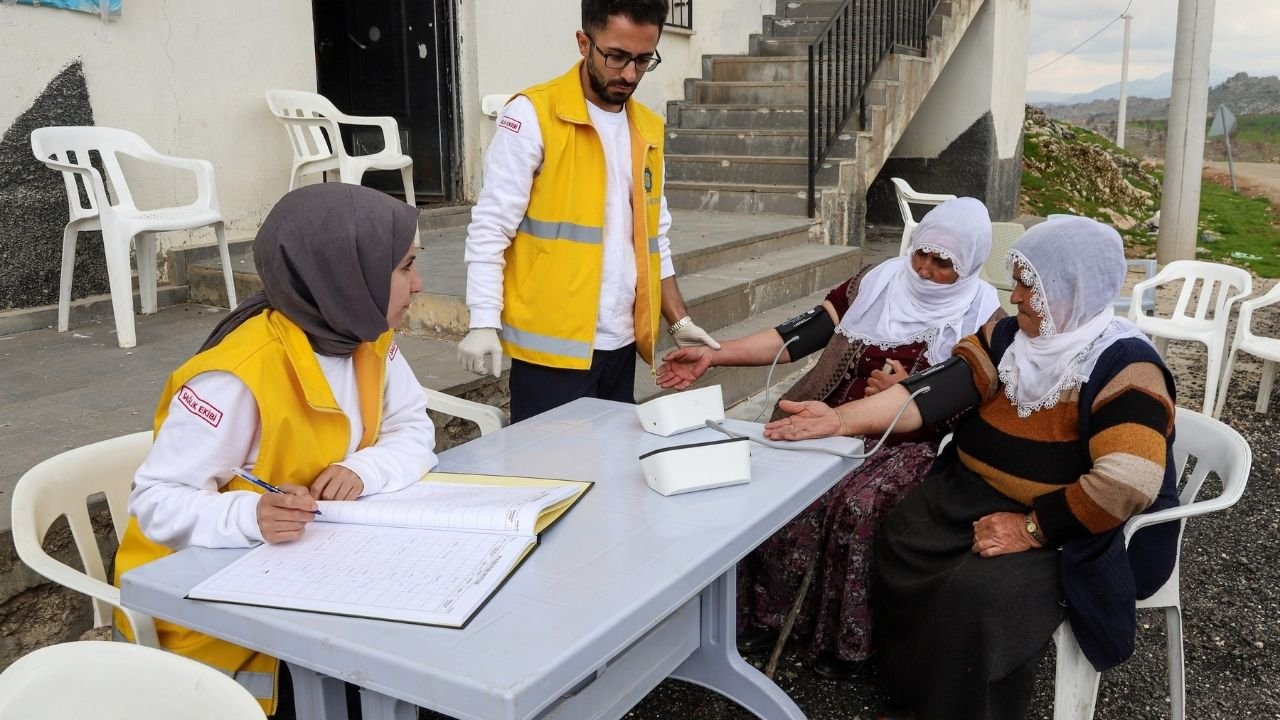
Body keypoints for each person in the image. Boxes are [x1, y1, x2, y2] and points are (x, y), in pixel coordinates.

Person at [763, 216, 1181, 719]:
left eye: (1030, 285)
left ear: (1069, 290)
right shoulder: (1008, 336)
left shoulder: (1125, 366)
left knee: (979, 593)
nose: (1018, 297)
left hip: (1070, 524)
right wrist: (836, 420)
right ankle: (916, 693)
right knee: (901, 536)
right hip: (976, 491)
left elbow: (1126, 482)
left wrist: (1031, 528)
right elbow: (930, 393)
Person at [112, 184, 440, 717]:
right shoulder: (237, 375)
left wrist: (364, 468)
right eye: (404, 268)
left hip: (310, 580)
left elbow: (412, 427)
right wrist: (251, 514)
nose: (419, 284)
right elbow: (155, 501)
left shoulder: (365, 335)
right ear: (345, 273)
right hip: (218, 620)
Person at [657, 197, 1003, 678]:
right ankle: (761, 614)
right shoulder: (877, 282)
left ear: (968, 266)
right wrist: (715, 355)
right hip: (823, 413)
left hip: (909, 441)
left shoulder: (985, 321)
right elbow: (796, 334)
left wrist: (901, 396)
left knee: (852, 502)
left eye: (944, 263)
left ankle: (847, 642)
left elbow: (971, 404)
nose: (924, 270)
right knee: (768, 471)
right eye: (921, 253)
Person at [458, 0, 719, 423]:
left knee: (612, 477)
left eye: (643, 59)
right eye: (616, 57)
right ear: (584, 43)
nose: (630, 74)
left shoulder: (648, 128)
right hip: (552, 352)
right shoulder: (532, 116)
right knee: (552, 477)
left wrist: (678, 319)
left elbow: (655, 236)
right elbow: (491, 228)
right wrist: (483, 320)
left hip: (622, 342)